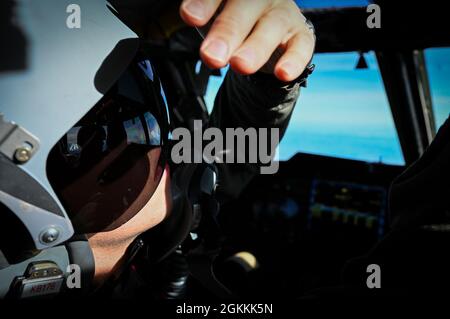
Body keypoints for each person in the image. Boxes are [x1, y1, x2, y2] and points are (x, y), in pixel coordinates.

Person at [0, 0, 315, 298]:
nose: (168, 145)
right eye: (118, 134)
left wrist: (267, 80)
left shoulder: (173, 206)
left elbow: (231, 154)